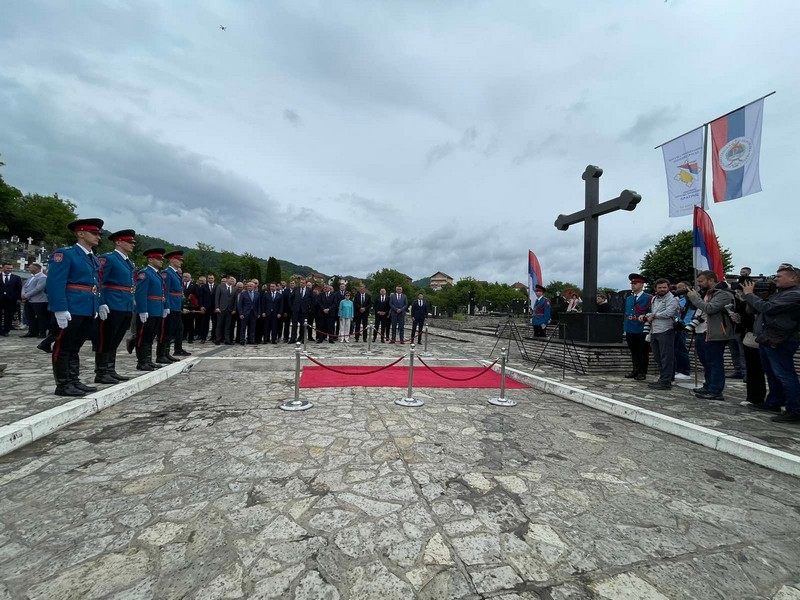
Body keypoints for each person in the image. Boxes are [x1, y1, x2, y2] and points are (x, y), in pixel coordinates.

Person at [45, 218, 103, 395]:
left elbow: (95, 284)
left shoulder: (92, 258)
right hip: (71, 306)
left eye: (98, 234)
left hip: (87, 307)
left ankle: (73, 380)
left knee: (75, 346)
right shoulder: (66, 254)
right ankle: (62, 384)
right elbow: (55, 283)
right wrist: (59, 308)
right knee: (63, 346)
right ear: (81, 233)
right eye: (93, 233)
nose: (97, 237)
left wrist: (97, 305)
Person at [741, 265, 800, 423]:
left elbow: (766, 308)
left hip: (782, 339)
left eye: (779, 276)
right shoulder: (779, 294)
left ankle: (795, 409)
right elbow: (756, 310)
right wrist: (752, 296)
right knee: (772, 373)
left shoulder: (795, 294)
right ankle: (774, 402)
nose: (775, 279)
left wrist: (750, 294)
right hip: (768, 337)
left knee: (785, 374)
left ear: (793, 278)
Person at [686, 270, 737, 401]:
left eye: (701, 281)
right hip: (700, 331)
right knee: (706, 362)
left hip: (714, 333)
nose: (699, 284)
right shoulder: (704, 294)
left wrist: (694, 297)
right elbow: (696, 308)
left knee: (715, 362)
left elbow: (710, 308)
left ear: (711, 280)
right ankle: (708, 385)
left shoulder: (724, 294)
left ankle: (716, 390)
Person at [95, 229, 137, 384]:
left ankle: (110, 369)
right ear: (118, 242)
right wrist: (101, 302)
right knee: (106, 338)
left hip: (125, 305)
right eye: (129, 242)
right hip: (112, 303)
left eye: (133, 242)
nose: (132, 245)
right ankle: (101, 371)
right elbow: (98, 281)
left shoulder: (128, 262)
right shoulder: (108, 258)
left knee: (116, 339)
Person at [736, 278, 772, 406]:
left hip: (769, 339)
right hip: (751, 338)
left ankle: (776, 400)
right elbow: (743, 319)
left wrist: (749, 295)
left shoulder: (772, 302)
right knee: (754, 370)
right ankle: (754, 398)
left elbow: (764, 309)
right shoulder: (747, 303)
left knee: (775, 373)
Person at [642, 278, 680, 390]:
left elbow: (670, 312)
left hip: (666, 329)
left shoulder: (673, 299)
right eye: (660, 287)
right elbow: (654, 311)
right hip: (654, 329)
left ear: (668, 288)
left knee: (666, 356)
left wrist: (654, 316)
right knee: (658, 356)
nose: (662, 289)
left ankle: (666, 380)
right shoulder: (654, 299)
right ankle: (664, 377)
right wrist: (646, 316)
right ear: (656, 289)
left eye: (664, 287)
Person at [133, 248, 166, 371]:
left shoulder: (157, 274)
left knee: (150, 336)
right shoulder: (145, 273)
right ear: (150, 259)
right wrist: (142, 309)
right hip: (148, 309)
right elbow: (140, 293)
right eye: (158, 259)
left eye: (162, 259)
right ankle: (142, 361)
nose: (161, 261)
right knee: (143, 336)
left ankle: (148, 360)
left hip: (157, 309)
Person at [157, 250, 187, 363]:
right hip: (170, 306)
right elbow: (165, 291)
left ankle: (166, 352)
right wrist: (167, 305)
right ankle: (161, 354)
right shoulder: (167, 273)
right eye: (178, 260)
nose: (180, 262)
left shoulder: (175, 273)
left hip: (176, 306)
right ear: (172, 260)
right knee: (166, 331)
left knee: (177, 329)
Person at [624, 273, 652, 381]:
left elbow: (650, 312)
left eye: (635, 283)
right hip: (630, 328)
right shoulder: (629, 298)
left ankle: (642, 371)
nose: (633, 285)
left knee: (643, 351)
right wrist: (625, 328)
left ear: (642, 284)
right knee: (633, 351)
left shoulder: (649, 298)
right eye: (632, 283)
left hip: (641, 328)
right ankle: (635, 369)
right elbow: (627, 313)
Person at [21, 262, 48, 338]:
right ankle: (32, 331)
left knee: (41, 317)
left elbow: (38, 288)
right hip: (29, 300)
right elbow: (24, 286)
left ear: (36, 268)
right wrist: (22, 294)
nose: (28, 269)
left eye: (30, 267)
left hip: (39, 301)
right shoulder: (30, 277)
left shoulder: (42, 277)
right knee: (29, 316)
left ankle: (42, 332)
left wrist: (26, 295)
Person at [672, 281, 693, 381]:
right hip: (677, 325)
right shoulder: (678, 298)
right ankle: (678, 369)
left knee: (681, 349)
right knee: (676, 348)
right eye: (677, 287)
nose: (678, 289)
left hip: (684, 325)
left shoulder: (689, 299)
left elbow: (689, 313)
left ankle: (685, 371)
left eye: (681, 287)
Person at [0, 262, 23, 336]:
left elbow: (19, 289)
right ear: (3, 268)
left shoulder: (16, 278)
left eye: (11, 268)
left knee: (9, 316)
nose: (9, 270)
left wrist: (19, 299)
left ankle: (6, 330)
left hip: (11, 300)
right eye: (7, 268)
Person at [214, 276, 236, 345]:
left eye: (233, 280)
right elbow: (217, 297)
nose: (232, 280)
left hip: (229, 310)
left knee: (227, 326)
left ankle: (227, 340)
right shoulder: (220, 287)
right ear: (227, 280)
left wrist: (234, 309)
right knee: (219, 325)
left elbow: (235, 300)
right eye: (231, 279)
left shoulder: (234, 289)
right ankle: (218, 339)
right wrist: (217, 307)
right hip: (221, 309)